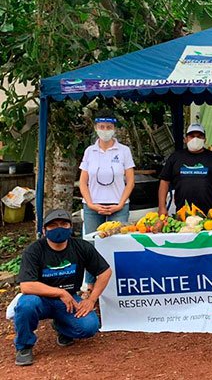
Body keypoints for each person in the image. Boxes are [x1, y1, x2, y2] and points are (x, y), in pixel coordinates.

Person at [13, 209, 112, 366]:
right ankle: (24, 346)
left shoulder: (81, 247)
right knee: (26, 305)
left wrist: (91, 300)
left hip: (69, 301)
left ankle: (61, 326)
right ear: (44, 230)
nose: (59, 228)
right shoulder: (34, 250)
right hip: (40, 299)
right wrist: (60, 292)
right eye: (53, 225)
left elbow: (105, 272)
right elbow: (26, 285)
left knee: (90, 327)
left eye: (63, 224)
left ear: (70, 227)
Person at [78, 109, 134, 287]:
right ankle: (90, 285)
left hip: (119, 206)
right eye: (101, 126)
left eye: (109, 127)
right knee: (91, 246)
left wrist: (119, 204)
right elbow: (82, 182)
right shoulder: (89, 151)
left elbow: (130, 181)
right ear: (96, 128)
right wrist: (92, 204)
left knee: (118, 244)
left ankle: (117, 285)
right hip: (93, 207)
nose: (105, 130)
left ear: (114, 128)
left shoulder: (124, 151)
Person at [158, 123, 212, 216]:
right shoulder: (175, 157)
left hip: (211, 213)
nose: (195, 139)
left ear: (205, 139)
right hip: (183, 213)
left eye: (199, 136)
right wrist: (162, 207)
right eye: (192, 136)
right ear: (185, 139)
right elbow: (164, 181)